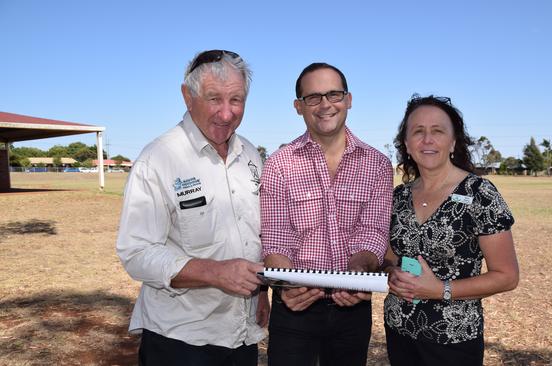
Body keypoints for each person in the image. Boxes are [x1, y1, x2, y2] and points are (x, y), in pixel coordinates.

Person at [116, 49, 269, 366]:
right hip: (181, 340)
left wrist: (261, 294)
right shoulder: (159, 157)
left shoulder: (251, 156)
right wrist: (216, 273)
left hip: (242, 333)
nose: (226, 114)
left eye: (236, 100)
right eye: (214, 99)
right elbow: (137, 252)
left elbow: (256, 235)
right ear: (188, 96)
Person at [259, 62, 393, 366]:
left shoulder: (378, 165)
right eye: (313, 97)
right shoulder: (279, 164)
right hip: (294, 307)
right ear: (298, 106)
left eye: (334, 94)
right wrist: (285, 286)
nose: (325, 105)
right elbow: (276, 238)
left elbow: (373, 231)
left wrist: (359, 273)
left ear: (348, 99)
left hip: (353, 308)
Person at [383, 94, 520, 366]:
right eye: (418, 132)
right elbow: (387, 257)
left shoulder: (480, 194)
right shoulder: (397, 197)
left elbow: (507, 277)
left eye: (438, 131)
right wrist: (391, 273)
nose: (427, 139)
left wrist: (439, 289)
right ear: (407, 144)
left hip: (454, 338)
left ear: (453, 141)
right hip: (399, 330)